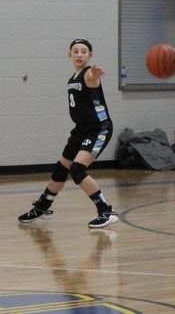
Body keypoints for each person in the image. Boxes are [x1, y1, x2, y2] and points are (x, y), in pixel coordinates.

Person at [19, 39, 119, 229]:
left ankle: (106, 211)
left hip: (99, 128)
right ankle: (43, 207)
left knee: (77, 169)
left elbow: (93, 75)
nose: (79, 54)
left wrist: (95, 72)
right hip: (81, 129)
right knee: (60, 169)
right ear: (69, 54)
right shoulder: (73, 78)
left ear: (90, 55)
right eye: (76, 51)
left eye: (83, 51)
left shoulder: (89, 75)